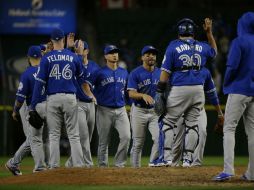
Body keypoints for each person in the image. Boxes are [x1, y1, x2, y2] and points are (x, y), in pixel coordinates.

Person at [155, 17, 217, 167]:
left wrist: (159, 91)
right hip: (198, 90)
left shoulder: (173, 46)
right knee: (192, 124)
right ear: (193, 32)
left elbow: (165, 73)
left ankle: (168, 157)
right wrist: (209, 33)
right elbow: (214, 52)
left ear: (179, 33)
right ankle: (188, 159)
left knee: (168, 122)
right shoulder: (202, 46)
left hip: (180, 88)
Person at [31, 28, 85, 169]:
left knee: (54, 135)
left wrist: (33, 105)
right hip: (69, 97)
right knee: (73, 135)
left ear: (51, 41)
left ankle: (54, 167)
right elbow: (81, 76)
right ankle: (78, 165)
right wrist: (77, 54)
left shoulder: (46, 58)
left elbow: (39, 83)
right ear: (63, 39)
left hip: (53, 98)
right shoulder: (72, 56)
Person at [213, 12, 254, 182]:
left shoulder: (239, 41)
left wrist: (226, 84)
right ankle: (252, 173)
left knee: (229, 128)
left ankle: (228, 170)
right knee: (252, 133)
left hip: (238, 90)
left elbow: (231, 67)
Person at [86, 45, 130, 167]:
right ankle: (102, 167)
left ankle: (119, 165)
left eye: (116, 52)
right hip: (104, 109)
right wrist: (91, 96)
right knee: (104, 142)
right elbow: (86, 85)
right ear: (105, 56)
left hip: (121, 110)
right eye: (111, 53)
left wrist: (128, 105)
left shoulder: (124, 72)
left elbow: (127, 91)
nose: (114, 54)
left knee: (126, 137)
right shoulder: (99, 73)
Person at [5, 46, 47, 175]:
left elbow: (19, 97)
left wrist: (14, 110)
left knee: (32, 138)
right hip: (38, 106)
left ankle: (13, 163)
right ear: (41, 56)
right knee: (33, 138)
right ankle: (34, 166)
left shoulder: (28, 73)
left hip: (30, 106)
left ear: (28, 58)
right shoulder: (46, 70)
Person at [65, 36, 100, 168]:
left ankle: (71, 162)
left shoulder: (94, 67)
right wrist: (68, 49)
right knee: (83, 136)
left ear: (87, 51)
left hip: (91, 104)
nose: (80, 50)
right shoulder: (72, 63)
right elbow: (84, 85)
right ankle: (88, 164)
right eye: (77, 48)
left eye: (82, 48)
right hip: (77, 103)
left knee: (87, 138)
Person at [128, 45, 160, 167]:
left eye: (153, 54)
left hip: (155, 111)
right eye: (148, 54)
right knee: (138, 143)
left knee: (159, 139)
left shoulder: (161, 72)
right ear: (142, 57)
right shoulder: (135, 73)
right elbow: (131, 93)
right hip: (139, 111)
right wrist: (142, 95)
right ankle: (135, 170)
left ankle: (153, 163)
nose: (151, 56)